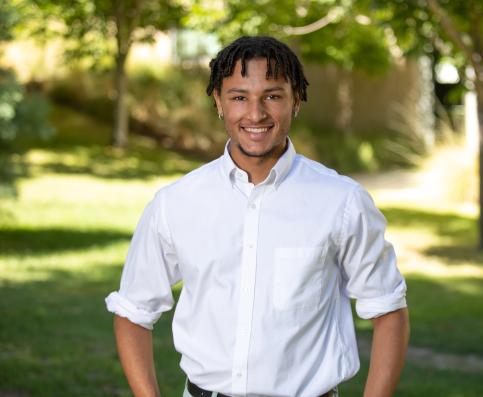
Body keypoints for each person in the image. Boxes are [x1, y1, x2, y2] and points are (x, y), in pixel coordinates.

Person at [106, 35, 409, 397]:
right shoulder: (175, 203)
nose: (255, 114)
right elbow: (133, 312)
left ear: (296, 100)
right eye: (239, 97)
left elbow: (389, 311)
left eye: (272, 95)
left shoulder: (343, 202)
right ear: (218, 101)